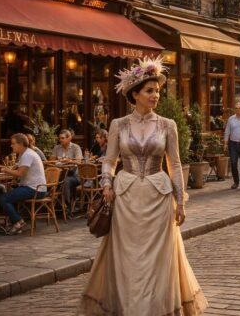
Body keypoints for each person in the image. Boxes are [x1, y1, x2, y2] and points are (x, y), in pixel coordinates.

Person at [81, 55, 207, 315]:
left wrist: (180, 202)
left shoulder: (167, 125)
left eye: (158, 91)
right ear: (135, 94)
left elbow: (174, 163)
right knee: (127, 259)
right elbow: (109, 161)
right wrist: (106, 182)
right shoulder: (118, 125)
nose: (155, 95)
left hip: (159, 198)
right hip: (126, 199)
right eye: (150, 91)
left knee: (157, 260)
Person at [0, 134, 47, 235]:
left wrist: (5, 170)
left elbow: (20, 173)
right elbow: (17, 169)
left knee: (3, 198)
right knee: (7, 194)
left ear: (20, 144)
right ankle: (15, 221)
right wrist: (8, 169)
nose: (11, 146)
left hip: (35, 189)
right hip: (33, 187)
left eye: (13, 144)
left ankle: (18, 222)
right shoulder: (25, 153)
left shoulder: (27, 155)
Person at [52, 129, 82, 216]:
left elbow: (79, 162)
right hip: (60, 174)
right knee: (53, 181)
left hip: (74, 175)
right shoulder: (57, 147)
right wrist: (58, 160)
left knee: (66, 181)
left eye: (62, 138)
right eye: (60, 138)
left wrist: (69, 160)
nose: (60, 140)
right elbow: (51, 160)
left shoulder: (76, 147)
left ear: (69, 138)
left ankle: (67, 207)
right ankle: (53, 205)